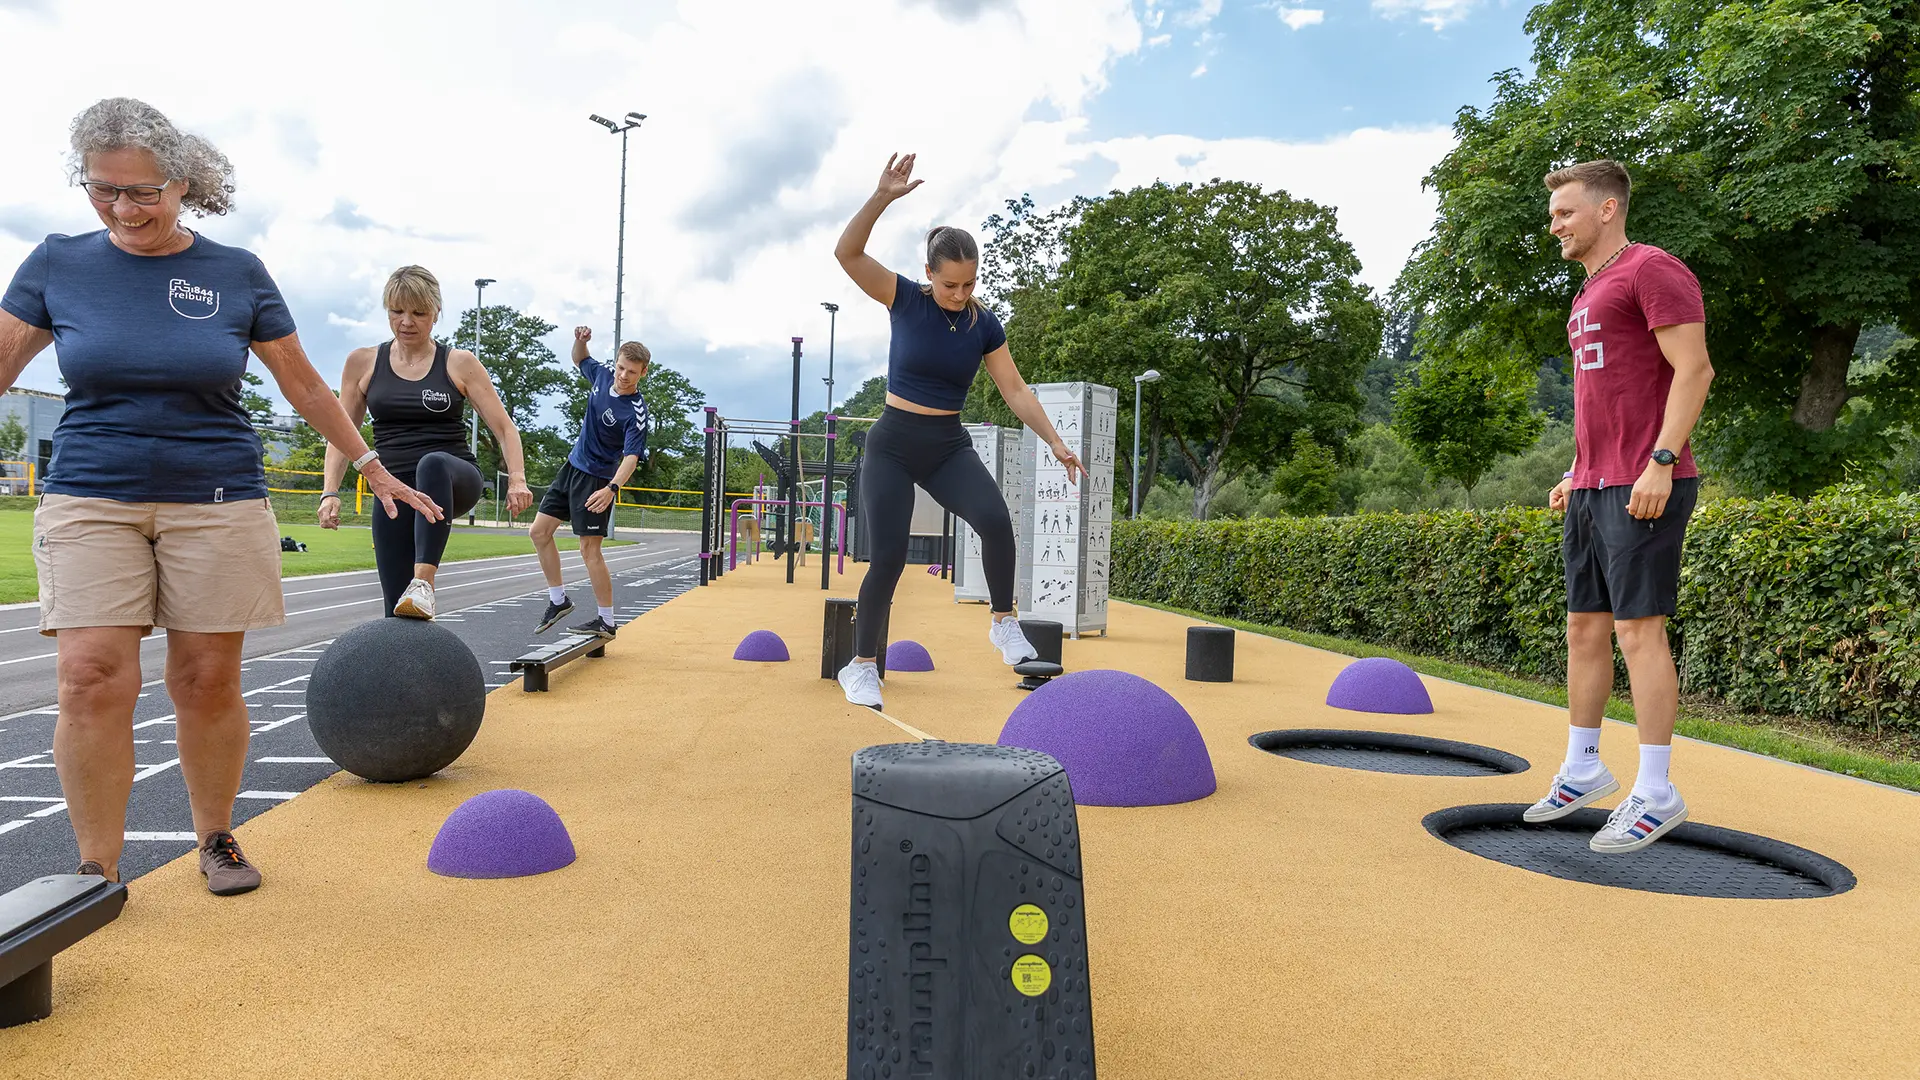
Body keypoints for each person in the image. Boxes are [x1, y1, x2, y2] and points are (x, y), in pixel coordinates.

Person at [0, 98, 440, 894]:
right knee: (91, 675)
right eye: (103, 190)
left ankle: (216, 837)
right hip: (91, 493)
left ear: (183, 183)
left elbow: (303, 384)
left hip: (217, 496)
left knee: (205, 678)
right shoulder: (57, 264)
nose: (123, 209)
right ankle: (95, 870)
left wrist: (370, 466)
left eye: (143, 192)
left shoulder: (235, 273)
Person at [831, 153, 1083, 710]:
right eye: (950, 284)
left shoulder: (983, 323)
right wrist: (881, 197)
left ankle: (1003, 622)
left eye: (969, 283)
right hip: (894, 444)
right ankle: (861, 666)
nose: (960, 293)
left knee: (995, 520)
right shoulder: (903, 299)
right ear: (929, 274)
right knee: (889, 556)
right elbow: (847, 254)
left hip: (947, 446)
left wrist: (1056, 441)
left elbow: (1015, 389)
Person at [1527, 159, 1714, 853]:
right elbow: (1603, 396)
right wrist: (1576, 471)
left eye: (1565, 213)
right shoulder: (1587, 292)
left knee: (1639, 632)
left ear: (1607, 209)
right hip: (1595, 483)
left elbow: (1694, 369)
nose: (1555, 226)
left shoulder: (1651, 270)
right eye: (1553, 215)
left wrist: (1661, 461)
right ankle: (1583, 767)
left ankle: (1657, 791)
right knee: (1584, 627)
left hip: (1645, 481)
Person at [318, 266, 534, 618]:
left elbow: (505, 429)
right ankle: (409, 632)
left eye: (418, 313)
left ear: (436, 313)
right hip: (393, 490)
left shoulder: (458, 363)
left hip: (453, 479)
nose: (406, 322)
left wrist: (518, 480)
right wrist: (330, 492)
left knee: (432, 463)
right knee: (396, 611)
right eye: (397, 311)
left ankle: (423, 583)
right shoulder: (362, 363)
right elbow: (342, 434)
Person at [530, 327, 650, 639]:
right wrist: (580, 341)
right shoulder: (602, 374)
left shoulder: (636, 413)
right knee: (539, 532)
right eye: (621, 367)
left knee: (589, 550)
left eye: (632, 372)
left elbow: (631, 457)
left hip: (597, 479)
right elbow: (579, 359)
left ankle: (606, 621)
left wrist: (611, 489)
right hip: (571, 467)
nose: (623, 376)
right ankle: (558, 601)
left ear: (643, 373)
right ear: (616, 362)